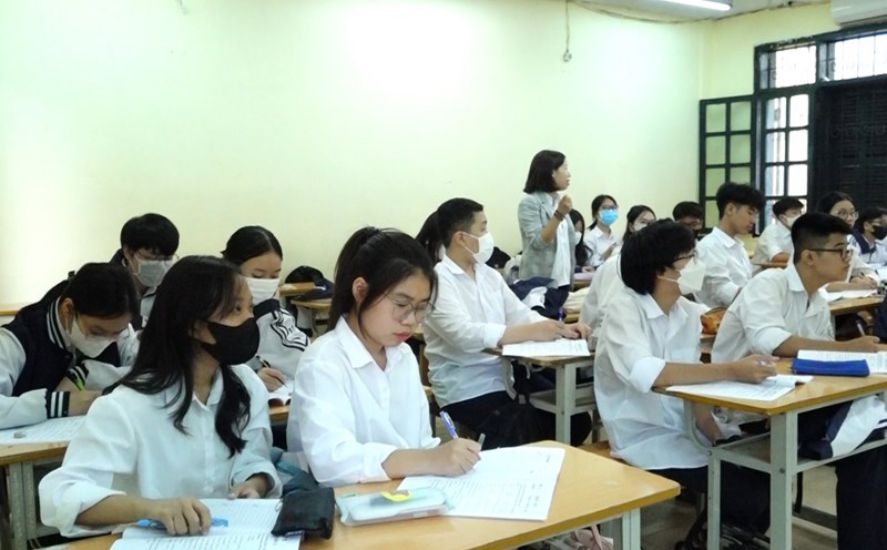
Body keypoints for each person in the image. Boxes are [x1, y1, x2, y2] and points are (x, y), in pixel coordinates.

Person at [39, 256, 280, 537]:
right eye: (236, 309)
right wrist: (151, 509)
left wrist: (255, 483)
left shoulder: (245, 384)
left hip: (229, 537)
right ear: (193, 324)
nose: (249, 320)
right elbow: (60, 495)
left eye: (250, 308)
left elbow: (253, 457)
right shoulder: (127, 406)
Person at [711, 212, 887, 549]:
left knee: (872, 443)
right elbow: (771, 342)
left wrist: (847, 358)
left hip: (792, 402)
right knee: (869, 434)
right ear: (809, 257)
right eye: (840, 250)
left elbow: (818, 360)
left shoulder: (816, 298)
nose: (848, 259)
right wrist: (847, 349)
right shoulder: (768, 283)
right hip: (746, 409)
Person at [593, 219, 774, 535]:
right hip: (642, 433)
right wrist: (732, 369)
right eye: (690, 257)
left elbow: (693, 378)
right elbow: (648, 373)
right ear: (661, 270)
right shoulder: (625, 309)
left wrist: (712, 430)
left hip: (685, 426)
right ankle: (714, 536)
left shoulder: (687, 312)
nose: (698, 265)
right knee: (746, 492)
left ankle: (724, 534)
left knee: (763, 473)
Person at [287, 228, 480, 487]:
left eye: (421, 308)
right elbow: (332, 462)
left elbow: (421, 443)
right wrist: (429, 459)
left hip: (406, 495)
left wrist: (443, 457)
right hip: (342, 503)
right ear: (361, 291)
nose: (411, 320)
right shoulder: (323, 361)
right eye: (401, 305)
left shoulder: (403, 356)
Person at [420, 199, 592, 448]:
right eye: (482, 229)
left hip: (506, 380)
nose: (487, 236)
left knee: (576, 422)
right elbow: (462, 334)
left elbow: (520, 314)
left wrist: (561, 329)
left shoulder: (489, 275)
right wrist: (529, 331)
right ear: (461, 238)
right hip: (465, 386)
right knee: (517, 431)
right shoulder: (438, 280)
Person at [0, 263, 139, 429]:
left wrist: (88, 373)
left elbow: (150, 375)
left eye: (117, 333)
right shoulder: (15, 340)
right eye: (97, 332)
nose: (108, 340)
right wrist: (61, 404)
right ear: (68, 309)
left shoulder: (118, 328)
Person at [221, 226, 309, 391]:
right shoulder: (216, 314)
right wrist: (250, 376)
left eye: (275, 276)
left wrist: (269, 314)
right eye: (258, 276)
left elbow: (302, 357)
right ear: (232, 269)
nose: (267, 283)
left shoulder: (273, 311)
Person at [579, 205, 656, 338]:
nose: (648, 227)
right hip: (609, 333)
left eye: (652, 223)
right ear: (631, 226)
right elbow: (604, 309)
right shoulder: (617, 263)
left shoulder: (654, 260)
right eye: (643, 222)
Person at [517, 150, 578, 289]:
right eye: (565, 168)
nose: (569, 174)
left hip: (564, 281)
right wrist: (559, 214)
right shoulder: (530, 203)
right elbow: (538, 242)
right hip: (539, 284)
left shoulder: (559, 202)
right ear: (552, 172)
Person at [695, 183, 763, 307]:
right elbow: (722, 291)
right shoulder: (709, 246)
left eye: (756, 215)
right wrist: (759, 298)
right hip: (719, 316)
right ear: (730, 209)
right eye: (750, 213)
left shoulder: (739, 247)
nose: (754, 221)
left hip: (742, 310)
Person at [109, 213, 179, 329]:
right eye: (153, 258)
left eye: (167, 258)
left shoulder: (175, 288)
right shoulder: (103, 286)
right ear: (128, 252)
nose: (161, 266)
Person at [816, 191, 879, 290]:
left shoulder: (849, 249)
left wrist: (868, 280)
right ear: (825, 215)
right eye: (842, 213)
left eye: (852, 213)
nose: (850, 218)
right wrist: (852, 286)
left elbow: (870, 272)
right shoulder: (810, 245)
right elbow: (812, 285)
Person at [752, 197, 803, 266]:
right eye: (794, 213)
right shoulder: (772, 230)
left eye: (800, 212)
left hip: (784, 269)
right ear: (782, 217)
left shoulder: (797, 232)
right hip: (763, 271)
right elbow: (776, 256)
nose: (800, 216)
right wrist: (803, 257)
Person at [584, 194, 620, 269]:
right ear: (595, 214)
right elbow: (588, 265)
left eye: (612, 208)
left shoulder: (617, 238)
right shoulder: (588, 238)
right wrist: (605, 255)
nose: (610, 211)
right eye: (604, 208)